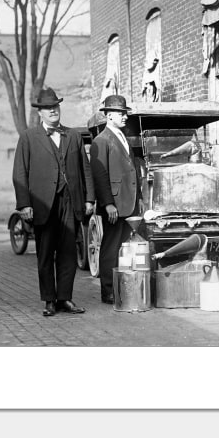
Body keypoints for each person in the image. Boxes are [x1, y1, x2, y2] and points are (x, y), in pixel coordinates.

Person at [12, 87, 95, 316]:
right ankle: (49, 300)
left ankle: (65, 299)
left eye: (55, 107)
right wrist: (25, 204)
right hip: (43, 204)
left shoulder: (73, 136)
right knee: (46, 253)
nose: (53, 111)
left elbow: (85, 169)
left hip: (71, 201)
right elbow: (20, 174)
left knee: (69, 252)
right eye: (48, 108)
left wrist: (89, 198)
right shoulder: (28, 138)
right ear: (40, 113)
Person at [90, 95, 145, 304]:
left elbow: (132, 172)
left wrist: (138, 198)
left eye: (125, 113)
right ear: (109, 115)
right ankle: (108, 291)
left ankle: (123, 287)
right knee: (110, 248)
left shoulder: (122, 138)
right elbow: (99, 175)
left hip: (129, 203)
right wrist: (108, 203)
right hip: (114, 205)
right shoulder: (101, 141)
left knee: (124, 247)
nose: (125, 116)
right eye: (120, 113)